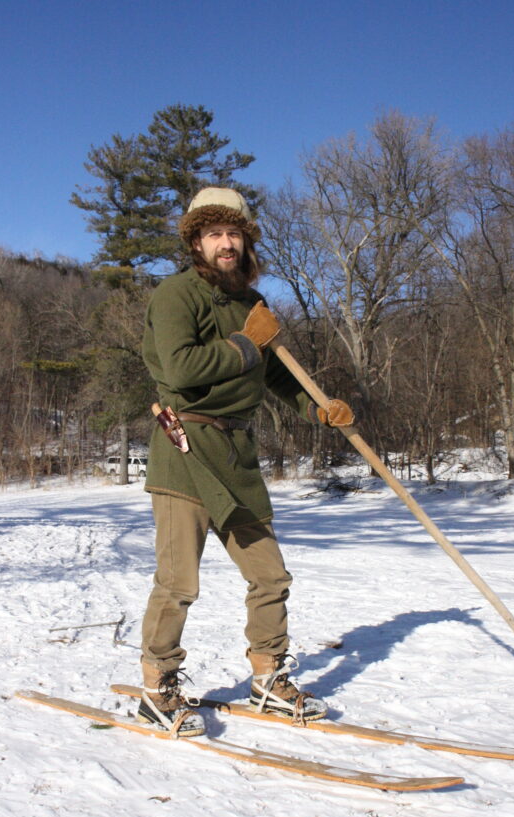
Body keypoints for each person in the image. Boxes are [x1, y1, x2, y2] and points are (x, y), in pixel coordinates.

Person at [137, 187, 354, 736]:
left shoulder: (250, 306)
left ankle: (268, 676)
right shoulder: (175, 295)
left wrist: (318, 408)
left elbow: (277, 373)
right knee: (179, 582)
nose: (226, 243)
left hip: (236, 455)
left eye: (234, 232)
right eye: (213, 233)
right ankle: (158, 686)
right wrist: (244, 346)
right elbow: (182, 368)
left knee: (270, 574)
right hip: (185, 447)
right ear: (196, 241)